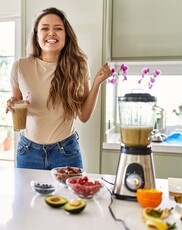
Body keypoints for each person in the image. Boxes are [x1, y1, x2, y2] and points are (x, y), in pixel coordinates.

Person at [6, 7, 111, 170]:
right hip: (28, 152)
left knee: (71, 197)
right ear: (36, 35)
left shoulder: (78, 66)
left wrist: (97, 82)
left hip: (66, 152)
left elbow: (83, 115)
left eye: (58, 28)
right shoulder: (20, 67)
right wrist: (13, 103)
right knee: (27, 196)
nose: (51, 33)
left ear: (66, 35)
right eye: (45, 28)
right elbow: (18, 110)